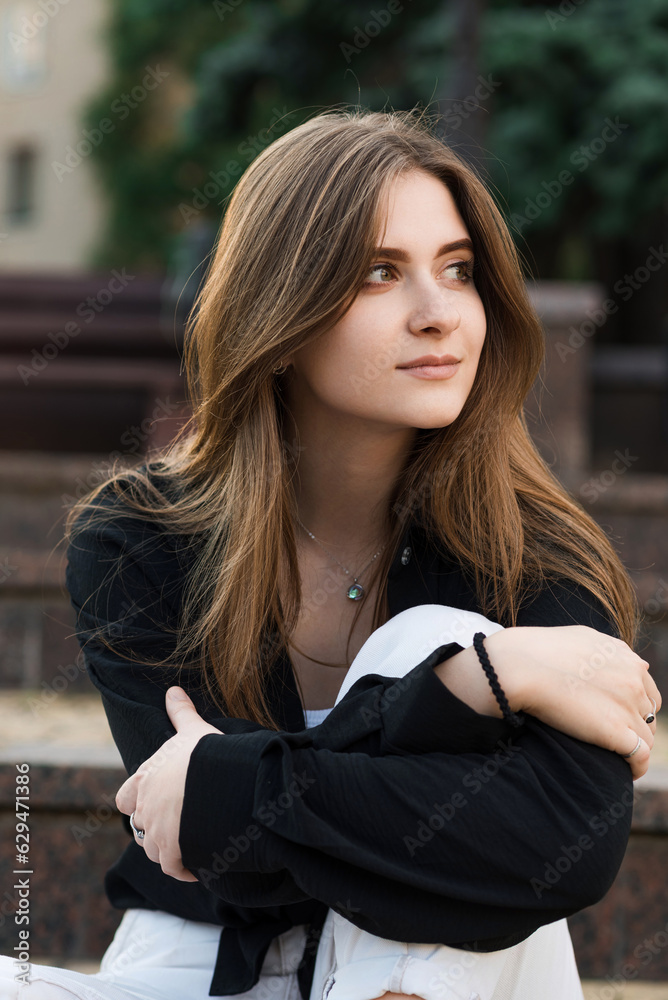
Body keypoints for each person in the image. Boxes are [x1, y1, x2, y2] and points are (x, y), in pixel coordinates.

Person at [0, 106, 659, 1000]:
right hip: (201, 956)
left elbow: (558, 851)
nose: (439, 316)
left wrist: (248, 779)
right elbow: (226, 860)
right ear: (281, 306)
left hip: (454, 961)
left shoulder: (534, 554)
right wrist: (472, 683)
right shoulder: (141, 538)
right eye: (381, 274)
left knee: (425, 633)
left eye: (458, 271)